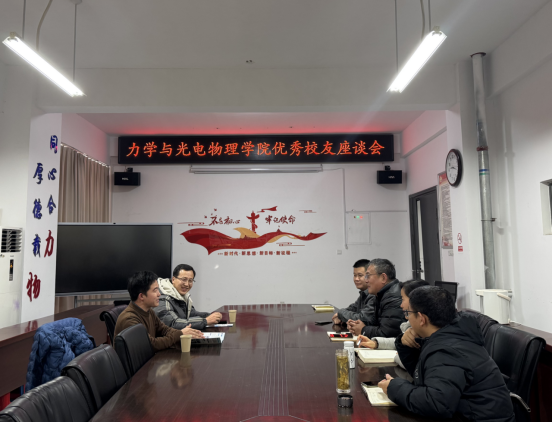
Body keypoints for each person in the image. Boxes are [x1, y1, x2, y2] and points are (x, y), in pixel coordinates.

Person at [379, 286, 515, 421]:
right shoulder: (449, 334)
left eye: (408, 313)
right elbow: (424, 374)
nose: (407, 319)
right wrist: (405, 345)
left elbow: (436, 404)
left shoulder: (447, 351)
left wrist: (394, 387)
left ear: (421, 318)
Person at [114, 271, 204, 352]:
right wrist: (180, 334)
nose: (159, 294)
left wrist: (183, 333)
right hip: (141, 365)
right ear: (141, 296)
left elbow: (164, 330)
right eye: (155, 290)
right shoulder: (129, 319)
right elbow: (151, 345)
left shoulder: (149, 311)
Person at [357, 279, 429, 368]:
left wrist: (399, 355)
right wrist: (376, 343)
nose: (401, 305)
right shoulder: (410, 326)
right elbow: (398, 341)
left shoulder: (423, 330)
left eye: (402, 299)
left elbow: (414, 365)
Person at [347, 258, 404, 339]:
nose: (366, 280)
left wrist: (363, 329)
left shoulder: (393, 297)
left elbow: (387, 334)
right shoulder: (380, 294)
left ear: (383, 278)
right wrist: (355, 325)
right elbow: (375, 323)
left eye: (368, 276)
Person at [155, 264, 222, 330]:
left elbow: (192, 314)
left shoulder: (181, 295)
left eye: (190, 280)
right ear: (173, 279)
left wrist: (211, 316)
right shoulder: (162, 298)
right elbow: (172, 323)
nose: (187, 284)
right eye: (184, 279)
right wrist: (205, 321)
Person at [331, 259, 375, 325]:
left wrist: (340, 314)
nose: (356, 279)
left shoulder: (374, 294)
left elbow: (363, 318)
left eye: (360, 275)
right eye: (354, 275)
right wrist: (340, 316)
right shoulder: (363, 293)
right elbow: (352, 308)